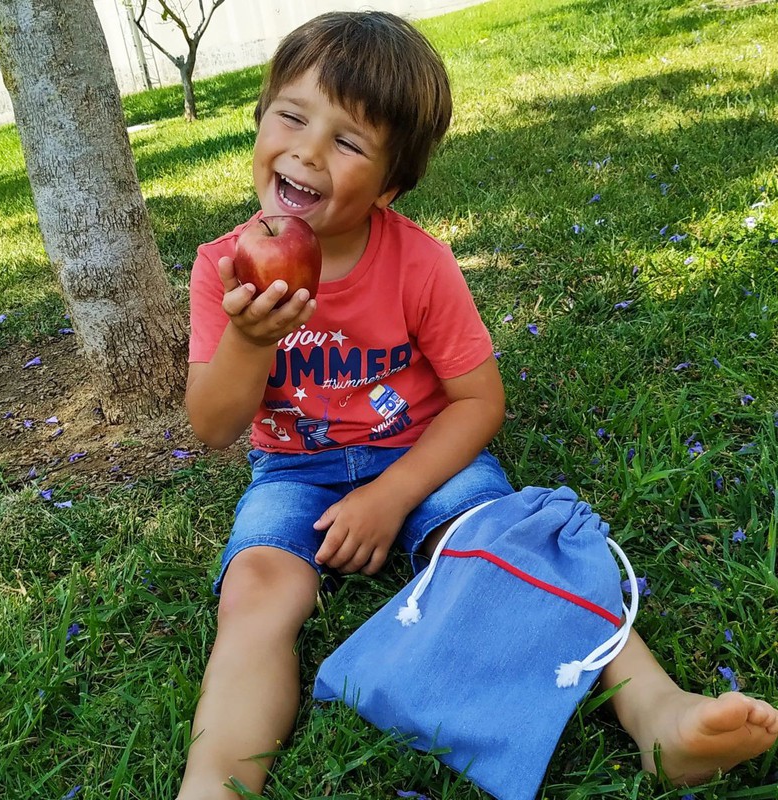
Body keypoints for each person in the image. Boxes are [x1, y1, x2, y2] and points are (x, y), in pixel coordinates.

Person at [179, 11, 778, 798]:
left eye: (348, 141)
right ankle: (214, 780)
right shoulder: (224, 266)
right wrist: (251, 341)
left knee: (516, 546)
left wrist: (392, 496)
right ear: (260, 124)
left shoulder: (418, 263)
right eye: (291, 115)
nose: (307, 149)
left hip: (420, 450)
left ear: (390, 184)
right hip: (294, 468)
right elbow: (214, 427)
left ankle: (659, 713)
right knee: (255, 593)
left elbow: (477, 402)